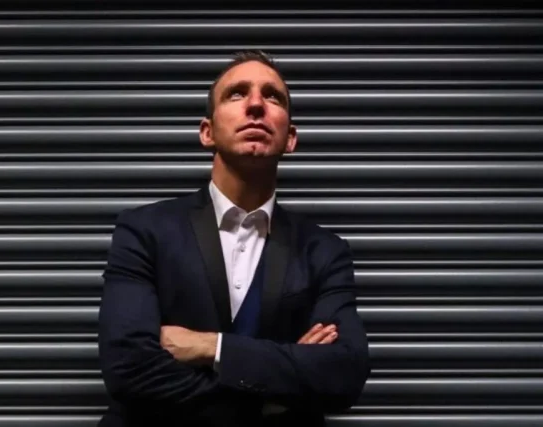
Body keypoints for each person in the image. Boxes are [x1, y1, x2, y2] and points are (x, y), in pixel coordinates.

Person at [97, 50, 370, 427]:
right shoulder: (144, 231)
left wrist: (212, 347)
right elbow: (127, 367)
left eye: (273, 97)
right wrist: (276, 391)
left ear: (290, 138)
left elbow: (345, 373)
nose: (256, 104)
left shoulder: (324, 251)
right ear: (207, 132)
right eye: (237, 94)